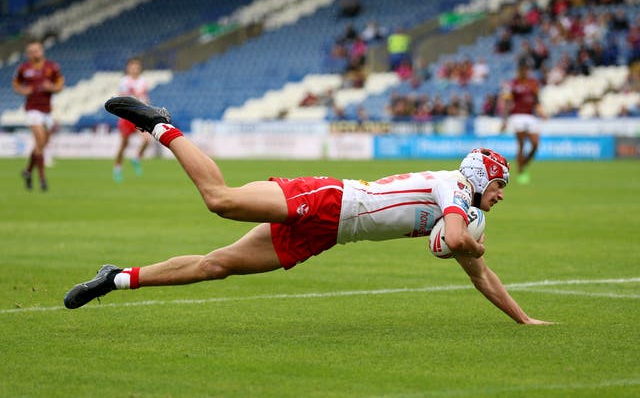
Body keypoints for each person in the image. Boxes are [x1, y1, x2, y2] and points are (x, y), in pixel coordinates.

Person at [64, 96, 552, 325]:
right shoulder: (453, 187)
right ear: (482, 177)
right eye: (501, 185)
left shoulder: (468, 212)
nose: (502, 194)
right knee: (222, 201)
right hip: (331, 198)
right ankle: (162, 127)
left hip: (330, 234)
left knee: (218, 266)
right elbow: (457, 240)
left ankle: (116, 278)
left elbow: (480, 274)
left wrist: (524, 321)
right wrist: (461, 241)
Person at [12, 39, 64, 191]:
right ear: (28, 54)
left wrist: (52, 87)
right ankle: (42, 179)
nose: (34, 53)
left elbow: (60, 85)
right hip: (32, 109)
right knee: (40, 140)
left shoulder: (52, 67)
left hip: (47, 110)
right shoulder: (24, 68)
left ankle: (28, 171)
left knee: (41, 145)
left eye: (37, 50)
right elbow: (15, 83)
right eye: (31, 51)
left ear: (42, 51)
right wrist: (23, 91)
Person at [500, 60, 543, 184]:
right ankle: (521, 171)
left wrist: (541, 112)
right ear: (519, 71)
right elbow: (507, 103)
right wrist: (504, 120)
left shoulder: (533, 83)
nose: (524, 72)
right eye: (522, 69)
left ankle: (523, 163)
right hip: (517, 115)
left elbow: (536, 101)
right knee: (522, 144)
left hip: (530, 116)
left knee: (535, 144)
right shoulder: (512, 84)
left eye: (526, 69)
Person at [113, 57, 153, 182]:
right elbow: (122, 97)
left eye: (136, 67)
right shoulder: (124, 81)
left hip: (139, 115)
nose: (135, 69)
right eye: (132, 67)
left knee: (147, 140)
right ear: (128, 68)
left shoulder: (143, 81)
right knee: (124, 145)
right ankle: (117, 168)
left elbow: (144, 97)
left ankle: (137, 158)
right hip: (127, 116)